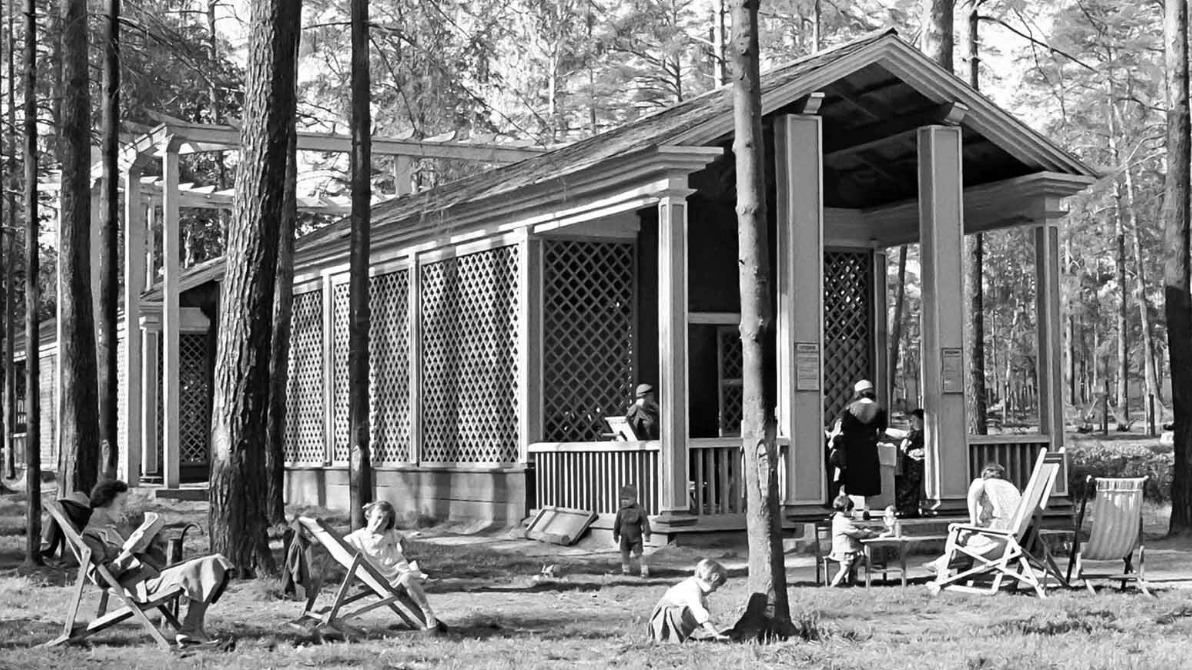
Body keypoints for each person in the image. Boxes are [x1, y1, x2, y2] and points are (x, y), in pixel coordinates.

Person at [82, 480, 233, 645]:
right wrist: (128, 553)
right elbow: (102, 579)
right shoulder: (90, 537)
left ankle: (193, 629)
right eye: (121, 503)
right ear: (105, 502)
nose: (124, 508)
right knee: (211, 564)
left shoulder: (109, 530)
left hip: (148, 576)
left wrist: (141, 543)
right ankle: (191, 631)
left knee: (216, 561)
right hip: (138, 585)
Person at [344, 500, 440, 631]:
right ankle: (420, 579)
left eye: (384, 521)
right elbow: (341, 544)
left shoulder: (389, 534)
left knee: (407, 578)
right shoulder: (356, 537)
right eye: (378, 517)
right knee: (409, 579)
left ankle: (427, 612)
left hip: (398, 570)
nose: (380, 523)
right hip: (383, 577)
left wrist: (402, 550)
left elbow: (401, 538)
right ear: (368, 516)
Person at [926, 462, 1022, 578]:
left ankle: (943, 567)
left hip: (994, 546)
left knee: (956, 530)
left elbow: (975, 517)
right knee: (965, 533)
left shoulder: (983, 483)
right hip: (1012, 545)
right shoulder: (1012, 490)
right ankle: (942, 564)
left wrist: (973, 522)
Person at [833, 379, 888, 512]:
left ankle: (844, 506)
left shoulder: (850, 408)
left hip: (851, 449)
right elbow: (882, 431)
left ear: (858, 393)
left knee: (848, 477)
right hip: (869, 448)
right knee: (869, 479)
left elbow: (844, 428)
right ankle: (866, 509)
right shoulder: (879, 409)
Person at [647, 559, 729, 642]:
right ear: (712, 578)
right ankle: (669, 637)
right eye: (715, 586)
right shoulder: (692, 588)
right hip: (664, 619)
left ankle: (683, 635)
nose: (715, 590)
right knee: (693, 611)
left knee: (702, 608)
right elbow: (699, 613)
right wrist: (716, 634)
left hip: (673, 614)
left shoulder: (696, 586)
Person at [827, 494, 883, 587]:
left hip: (847, 548)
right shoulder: (843, 521)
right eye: (851, 510)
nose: (852, 512)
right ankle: (834, 584)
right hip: (844, 549)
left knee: (860, 556)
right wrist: (866, 531)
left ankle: (851, 580)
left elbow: (853, 527)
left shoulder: (839, 518)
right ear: (846, 509)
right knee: (845, 568)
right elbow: (856, 533)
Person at [41, 490, 92, 562]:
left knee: (56, 517)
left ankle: (47, 548)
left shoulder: (66, 508)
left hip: (69, 508)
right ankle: (47, 548)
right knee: (56, 519)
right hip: (70, 509)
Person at [613, 485, 652, 577]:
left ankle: (644, 571)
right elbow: (617, 524)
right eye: (622, 499)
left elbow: (645, 523)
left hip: (635, 538)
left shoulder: (639, 510)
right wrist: (615, 534)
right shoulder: (620, 511)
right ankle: (625, 570)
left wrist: (647, 534)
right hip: (624, 538)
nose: (624, 501)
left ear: (634, 499)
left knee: (638, 554)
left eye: (627, 499)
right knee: (625, 554)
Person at [895, 409, 926, 517]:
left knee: (909, 487)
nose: (911, 423)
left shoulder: (919, 434)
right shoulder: (914, 434)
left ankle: (908, 509)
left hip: (914, 466)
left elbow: (905, 446)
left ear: (922, 420)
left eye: (913, 420)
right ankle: (909, 509)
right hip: (910, 465)